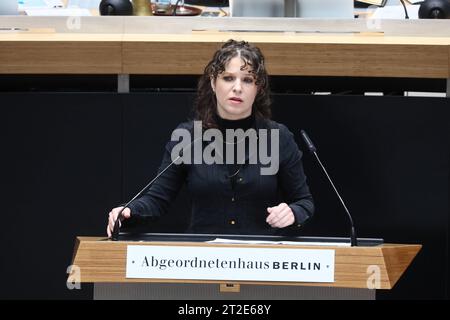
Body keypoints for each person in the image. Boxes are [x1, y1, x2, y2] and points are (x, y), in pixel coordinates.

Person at [107, 39, 314, 237]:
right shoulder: (188, 137)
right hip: (203, 260)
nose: (238, 87)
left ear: (258, 89)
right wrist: (129, 210)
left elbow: (304, 202)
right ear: (214, 83)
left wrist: (293, 212)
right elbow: (156, 200)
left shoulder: (278, 138)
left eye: (248, 80)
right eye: (228, 78)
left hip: (261, 262)